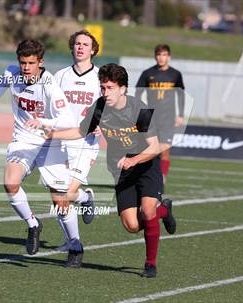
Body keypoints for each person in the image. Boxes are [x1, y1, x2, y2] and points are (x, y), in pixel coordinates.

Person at [36, 63, 177, 278]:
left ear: (123, 89)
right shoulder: (99, 107)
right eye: (103, 87)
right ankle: (164, 210)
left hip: (147, 165)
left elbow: (155, 146)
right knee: (131, 225)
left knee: (148, 211)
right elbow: (81, 131)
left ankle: (150, 264)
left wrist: (135, 159)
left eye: (110, 88)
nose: (105, 92)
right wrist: (53, 134)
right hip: (121, 170)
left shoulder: (140, 108)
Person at [0, 39, 84, 267]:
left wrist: (43, 122)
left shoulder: (50, 85)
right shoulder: (12, 73)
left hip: (50, 141)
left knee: (60, 201)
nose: (26, 67)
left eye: (31, 63)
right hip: (23, 140)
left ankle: (75, 244)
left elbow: (67, 120)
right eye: (23, 62)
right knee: (10, 182)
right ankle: (33, 224)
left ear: (41, 62)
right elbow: (1, 84)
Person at [53, 30, 101, 250]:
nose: (81, 47)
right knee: (58, 199)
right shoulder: (60, 76)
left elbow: (113, 105)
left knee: (66, 194)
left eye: (85, 44)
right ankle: (72, 241)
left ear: (93, 50)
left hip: (86, 144)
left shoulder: (101, 77)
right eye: (77, 43)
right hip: (61, 142)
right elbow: (49, 103)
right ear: (72, 47)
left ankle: (84, 199)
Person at [135, 44, 185, 184]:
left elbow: (181, 95)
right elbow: (138, 93)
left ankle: (162, 178)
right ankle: (146, 176)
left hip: (168, 119)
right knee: (149, 149)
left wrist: (180, 115)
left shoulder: (175, 74)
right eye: (158, 55)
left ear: (169, 57)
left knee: (164, 151)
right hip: (151, 118)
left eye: (164, 55)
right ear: (155, 56)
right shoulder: (147, 73)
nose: (161, 58)